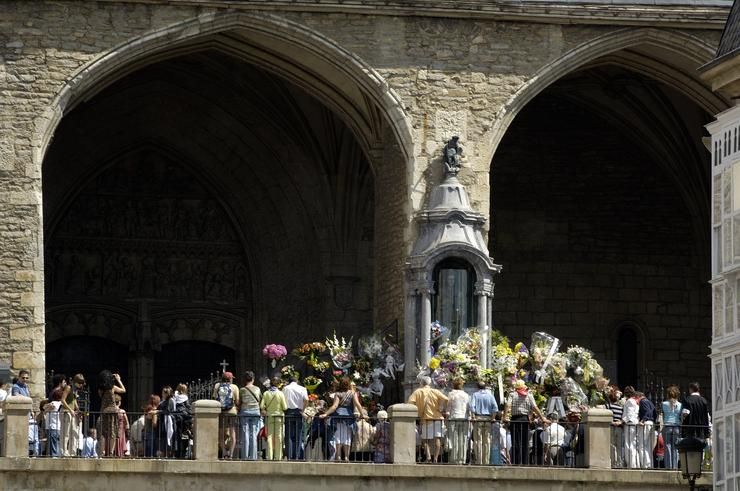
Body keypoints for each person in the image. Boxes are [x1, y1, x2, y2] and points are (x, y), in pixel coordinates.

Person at [503, 379, 549, 465]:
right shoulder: (529, 395)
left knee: (515, 442)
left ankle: (516, 462)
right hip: (525, 419)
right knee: (524, 442)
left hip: (515, 419)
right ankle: (524, 462)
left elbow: (508, 405)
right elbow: (535, 407)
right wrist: (542, 418)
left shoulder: (512, 394)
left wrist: (504, 417)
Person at [320, 377, 364, 462]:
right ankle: (347, 457)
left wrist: (325, 414)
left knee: (338, 437)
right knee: (347, 437)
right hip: (349, 417)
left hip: (338, 417)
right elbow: (358, 404)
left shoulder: (338, 394)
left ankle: (339, 456)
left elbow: (334, 406)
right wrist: (363, 415)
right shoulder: (353, 393)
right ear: (348, 384)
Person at [407, 376, 449, 463]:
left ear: (421, 383)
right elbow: (446, 399)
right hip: (438, 418)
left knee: (425, 440)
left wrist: (417, 410)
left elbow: (410, 402)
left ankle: (429, 457)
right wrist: (443, 409)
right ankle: (436, 458)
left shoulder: (418, 392)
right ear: (430, 383)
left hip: (426, 418)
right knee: (437, 439)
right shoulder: (435, 391)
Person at [97, 370, 126, 457]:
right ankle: (111, 452)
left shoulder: (100, 389)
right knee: (112, 433)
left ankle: (102, 452)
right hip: (113, 411)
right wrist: (118, 379)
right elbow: (123, 390)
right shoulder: (112, 387)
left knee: (103, 433)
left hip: (104, 411)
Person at [469, 380, 498, 465]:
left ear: (477, 387)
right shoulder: (490, 395)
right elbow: (495, 408)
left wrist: (473, 417)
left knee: (478, 440)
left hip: (478, 418)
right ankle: (486, 461)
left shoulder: (475, 395)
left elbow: (472, 407)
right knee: (487, 440)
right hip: (488, 418)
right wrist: (493, 418)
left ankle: (479, 461)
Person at [213, 372, 240, 459]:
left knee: (221, 433)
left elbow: (214, 398)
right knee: (232, 433)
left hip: (221, 412)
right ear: (230, 379)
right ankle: (231, 454)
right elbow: (237, 401)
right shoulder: (234, 387)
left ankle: (224, 452)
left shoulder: (217, 386)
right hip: (232, 412)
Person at [282, 374, 308, 460]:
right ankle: (296, 456)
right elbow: (306, 400)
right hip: (298, 412)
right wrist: (303, 410)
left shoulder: (285, 388)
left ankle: (289, 456)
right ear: (296, 381)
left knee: (288, 435)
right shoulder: (302, 388)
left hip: (288, 412)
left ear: (289, 381)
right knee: (298, 435)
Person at [261, 377, 287, 460]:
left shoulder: (266, 393)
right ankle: (278, 456)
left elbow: (261, 406)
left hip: (269, 416)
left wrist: (266, 410)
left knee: (269, 436)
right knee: (279, 437)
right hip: (279, 416)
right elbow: (285, 407)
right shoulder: (280, 393)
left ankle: (269, 456)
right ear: (278, 384)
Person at [446, 377, 470, 465]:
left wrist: (446, 417)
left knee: (454, 438)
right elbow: (468, 408)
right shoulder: (466, 395)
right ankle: (462, 459)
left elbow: (448, 408)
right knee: (463, 439)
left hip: (453, 417)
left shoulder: (451, 394)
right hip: (463, 418)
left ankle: (453, 459)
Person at [238, 371, 262, 460]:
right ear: (253, 379)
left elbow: (239, 402)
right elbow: (260, 400)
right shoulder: (258, 389)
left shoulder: (242, 390)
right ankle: (253, 456)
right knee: (253, 434)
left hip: (245, 412)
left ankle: (245, 456)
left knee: (245, 434)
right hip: (255, 412)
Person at [61, 374, 84, 457]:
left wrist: (78, 410)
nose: (81, 385)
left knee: (74, 433)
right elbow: (63, 400)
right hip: (66, 412)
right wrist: (70, 410)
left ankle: (72, 452)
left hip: (73, 413)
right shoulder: (69, 387)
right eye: (79, 383)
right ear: (75, 382)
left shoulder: (75, 389)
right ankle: (64, 452)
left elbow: (74, 400)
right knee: (65, 433)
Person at [661, 385, 682, 470]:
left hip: (667, 426)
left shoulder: (664, 404)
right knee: (675, 448)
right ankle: (675, 466)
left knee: (667, 447)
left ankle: (668, 466)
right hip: (676, 427)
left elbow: (662, 415)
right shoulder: (680, 405)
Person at [621, 385, 640, 468]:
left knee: (629, 444)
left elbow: (629, 414)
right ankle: (635, 464)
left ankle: (631, 464)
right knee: (633, 444)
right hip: (633, 423)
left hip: (630, 424)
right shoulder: (634, 401)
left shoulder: (629, 401)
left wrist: (622, 421)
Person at [172, 383, 192, 459]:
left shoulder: (174, 397)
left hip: (176, 420)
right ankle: (183, 454)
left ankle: (177, 453)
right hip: (184, 421)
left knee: (176, 438)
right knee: (184, 438)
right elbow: (189, 410)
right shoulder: (185, 398)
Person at [636, 391, 656, 469]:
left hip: (646, 423)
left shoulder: (643, 401)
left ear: (638, 397)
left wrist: (642, 420)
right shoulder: (650, 402)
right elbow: (654, 413)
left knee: (642, 444)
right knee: (648, 445)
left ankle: (645, 464)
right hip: (651, 423)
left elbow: (647, 411)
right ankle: (650, 464)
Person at [606, 385, 624, 467]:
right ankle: (619, 463)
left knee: (612, 446)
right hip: (619, 428)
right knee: (619, 446)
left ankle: (613, 463)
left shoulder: (609, 406)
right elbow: (622, 418)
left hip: (612, 427)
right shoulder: (621, 407)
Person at [45, 388, 64, 457]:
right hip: (59, 427)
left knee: (53, 445)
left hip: (52, 426)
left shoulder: (53, 403)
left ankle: (54, 456)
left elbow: (44, 408)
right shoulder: (62, 404)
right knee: (58, 444)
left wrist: (47, 403)